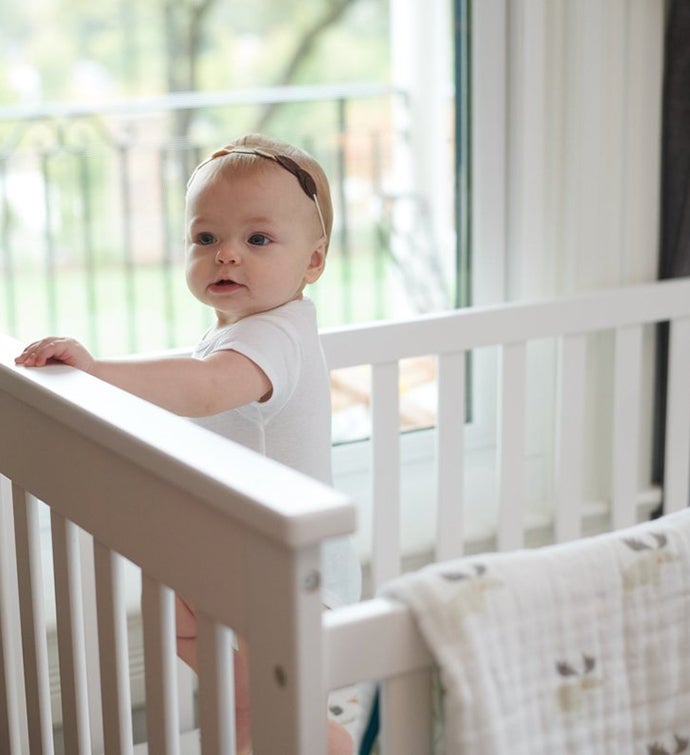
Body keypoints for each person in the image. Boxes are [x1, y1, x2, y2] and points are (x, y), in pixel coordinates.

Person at [15, 133, 361, 754]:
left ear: (312, 262)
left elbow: (203, 388)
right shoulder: (241, 332)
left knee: (274, 719)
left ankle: (327, 742)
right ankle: (287, 724)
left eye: (258, 239)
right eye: (206, 238)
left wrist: (95, 375)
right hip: (243, 552)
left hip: (288, 564)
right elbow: (195, 377)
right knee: (190, 636)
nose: (226, 254)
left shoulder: (274, 337)